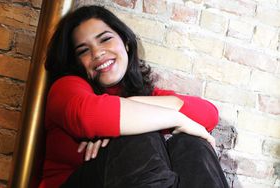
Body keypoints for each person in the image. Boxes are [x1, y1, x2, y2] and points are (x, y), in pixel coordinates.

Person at [39, 5, 229, 188]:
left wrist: (126, 110)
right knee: (138, 135)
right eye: (83, 50)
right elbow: (86, 114)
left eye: (105, 39)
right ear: (77, 63)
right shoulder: (66, 87)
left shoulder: (144, 95)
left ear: (126, 44)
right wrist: (176, 118)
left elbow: (208, 115)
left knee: (191, 144)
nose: (97, 53)